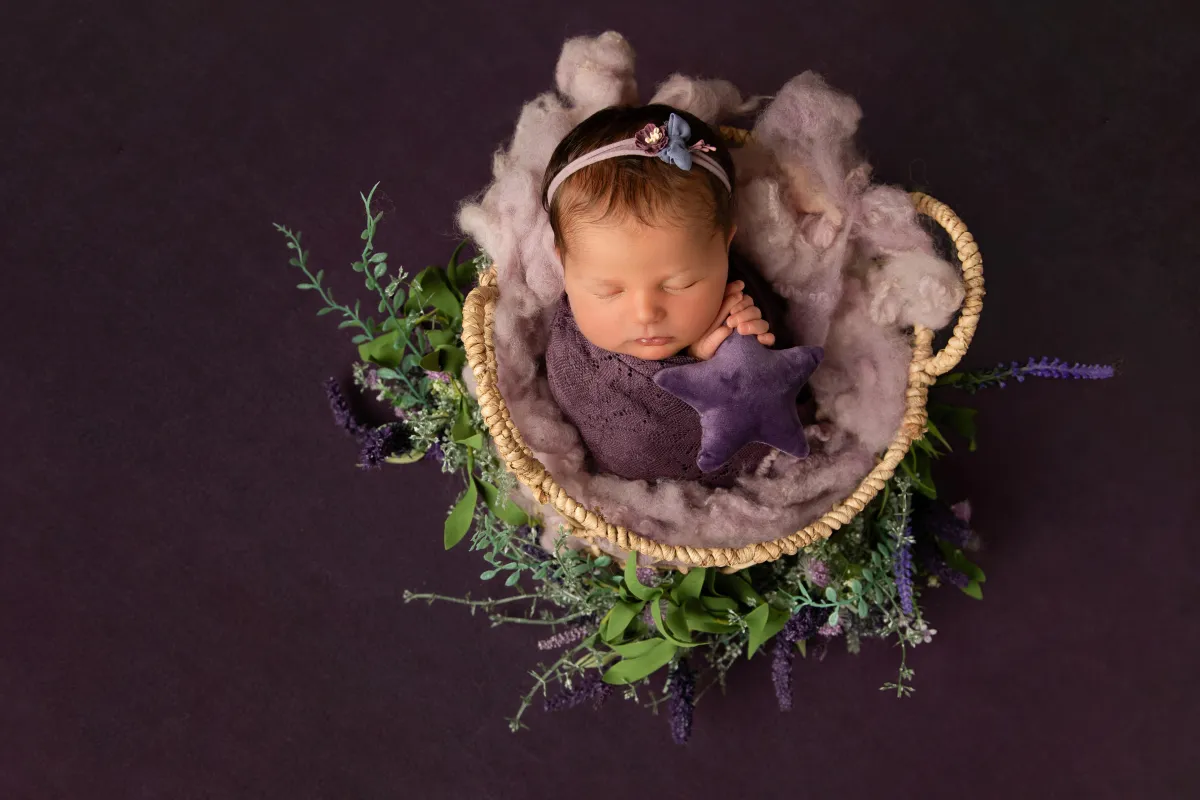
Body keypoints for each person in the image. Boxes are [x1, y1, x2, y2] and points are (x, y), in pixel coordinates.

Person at [543, 104, 805, 487]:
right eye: (608, 290)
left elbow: (780, 399)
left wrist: (738, 360)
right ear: (564, 267)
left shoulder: (739, 300)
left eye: (679, 284)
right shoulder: (572, 357)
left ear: (724, 247)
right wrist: (693, 366)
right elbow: (625, 435)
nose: (646, 312)